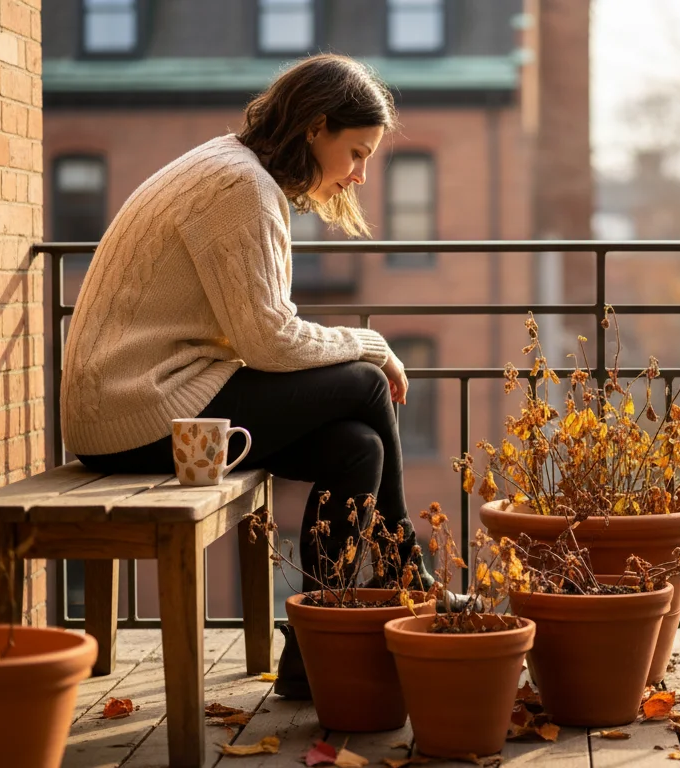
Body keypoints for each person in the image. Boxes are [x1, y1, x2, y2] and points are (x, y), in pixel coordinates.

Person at [59, 54, 430, 699]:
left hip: (168, 401)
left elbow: (260, 335)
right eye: (357, 152)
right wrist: (370, 343)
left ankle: (311, 653)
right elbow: (268, 340)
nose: (362, 175)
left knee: (357, 448)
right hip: (138, 411)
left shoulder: (235, 170)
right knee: (368, 383)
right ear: (316, 128)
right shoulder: (239, 188)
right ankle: (405, 569)